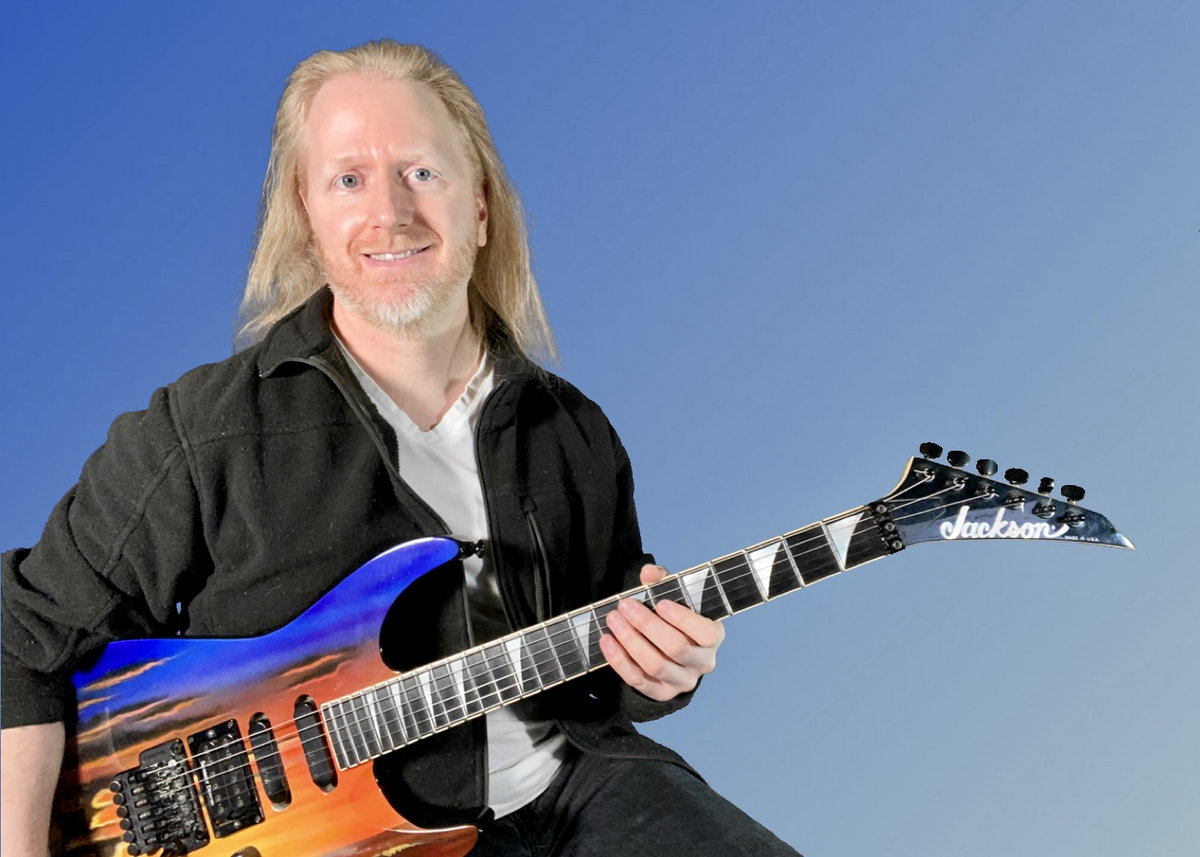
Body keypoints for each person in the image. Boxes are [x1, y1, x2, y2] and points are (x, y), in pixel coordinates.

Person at [1, 40, 800, 857]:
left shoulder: (571, 429)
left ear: (480, 206)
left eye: (421, 172)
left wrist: (658, 672)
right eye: (349, 179)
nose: (390, 212)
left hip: (577, 788)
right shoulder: (206, 429)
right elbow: (19, 635)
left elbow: (604, 677)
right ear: (307, 215)